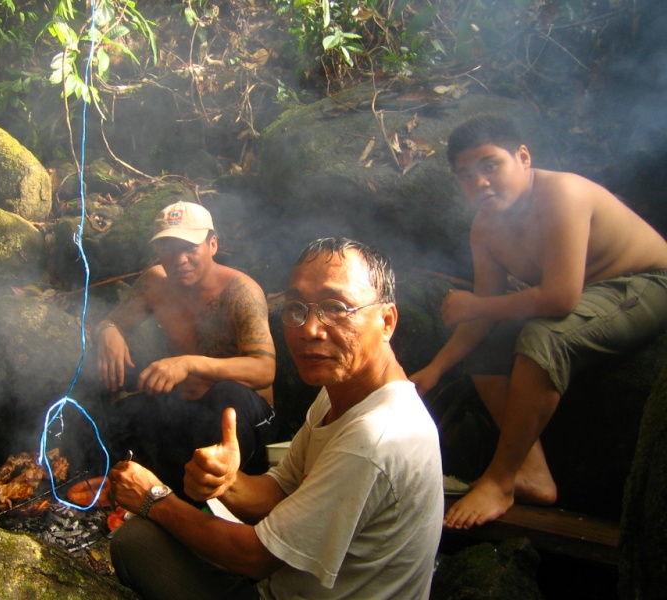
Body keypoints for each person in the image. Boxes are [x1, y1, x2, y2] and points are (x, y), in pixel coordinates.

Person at [107, 237, 444, 600]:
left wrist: (153, 498)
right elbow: (280, 489)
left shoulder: (376, 438)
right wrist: (228, 480)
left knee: (136, 542)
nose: (310, 329)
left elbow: (253, 557)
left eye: (336, 307)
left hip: (271, 582)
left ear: (387, 321)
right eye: (297, 308)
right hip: (284, 579)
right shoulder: (339, 393)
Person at [410, 113, 667, 530]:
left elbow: (558, 300)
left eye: (490, 165)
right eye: (466, 176)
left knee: (543, 336)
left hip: (647, 282)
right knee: (490, 349)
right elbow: (486, 313)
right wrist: (436, 369)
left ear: (523, 157)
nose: (480, 184)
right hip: (588, 297)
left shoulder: (562, 194)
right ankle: (531, 471)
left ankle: (500, 478)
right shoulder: (486, 228)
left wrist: (476, 306)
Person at [95, 200, 277, 499]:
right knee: (122, 413)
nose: (178, 258)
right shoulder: (155, 282)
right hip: (184, 408)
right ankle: (122, 494)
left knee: (227, 395)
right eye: (168, 248)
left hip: (244, 418)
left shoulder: (241, 291)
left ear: (213, 244)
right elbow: (111, 322)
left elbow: (264, 370)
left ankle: (212, 504)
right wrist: (108, 331)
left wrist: (190, 364)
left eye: (189, 247)